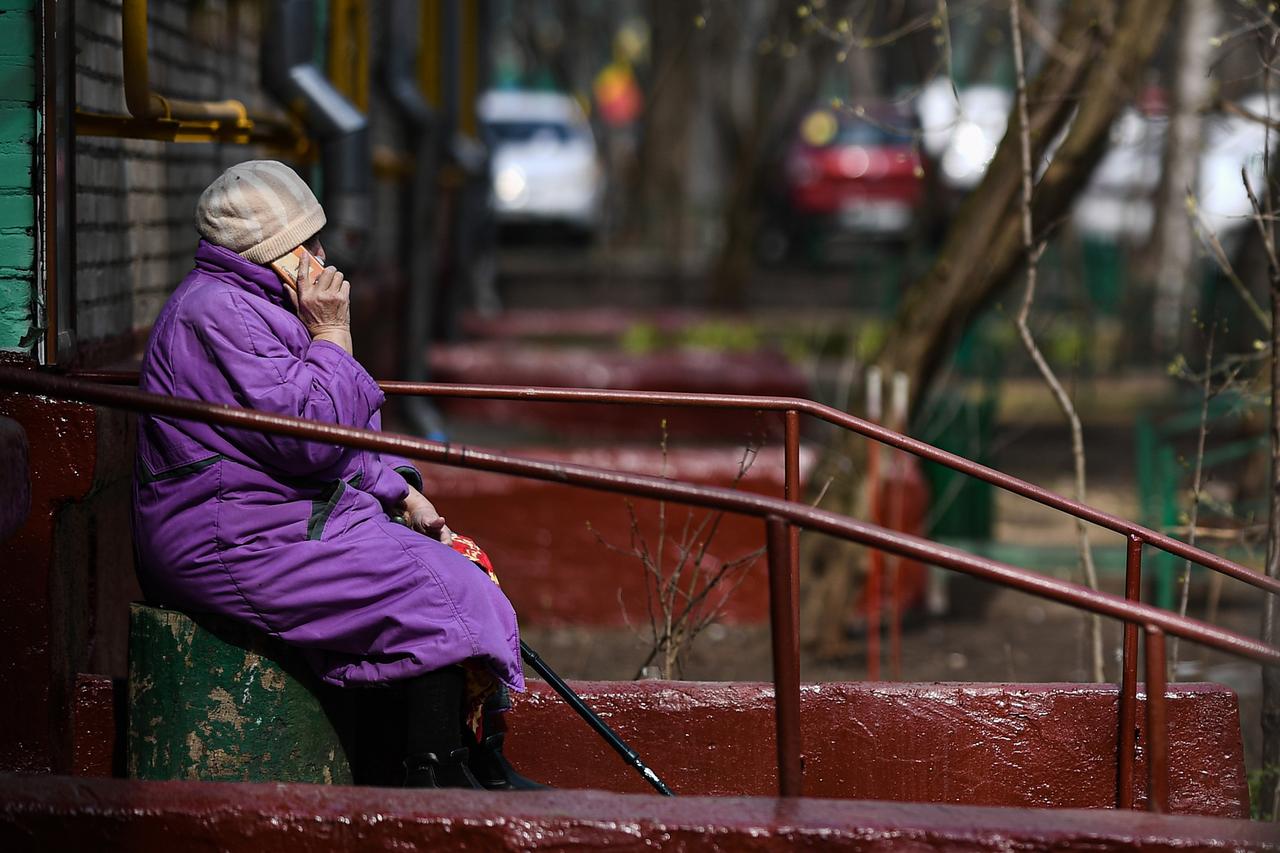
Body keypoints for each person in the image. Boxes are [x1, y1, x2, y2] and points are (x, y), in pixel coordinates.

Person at [132, 160, 539, 789]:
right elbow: (311, 436)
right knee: (439, 593)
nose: (324, 257)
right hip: (230, 536)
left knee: (455, 567)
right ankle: (436, 777)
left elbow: (327, 439)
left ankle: (471, 759)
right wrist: (332, 333)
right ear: (275, 253)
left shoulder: (257, 304)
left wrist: (399, 491)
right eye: (310, 243)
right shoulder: (222, 312)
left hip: (276, 514)